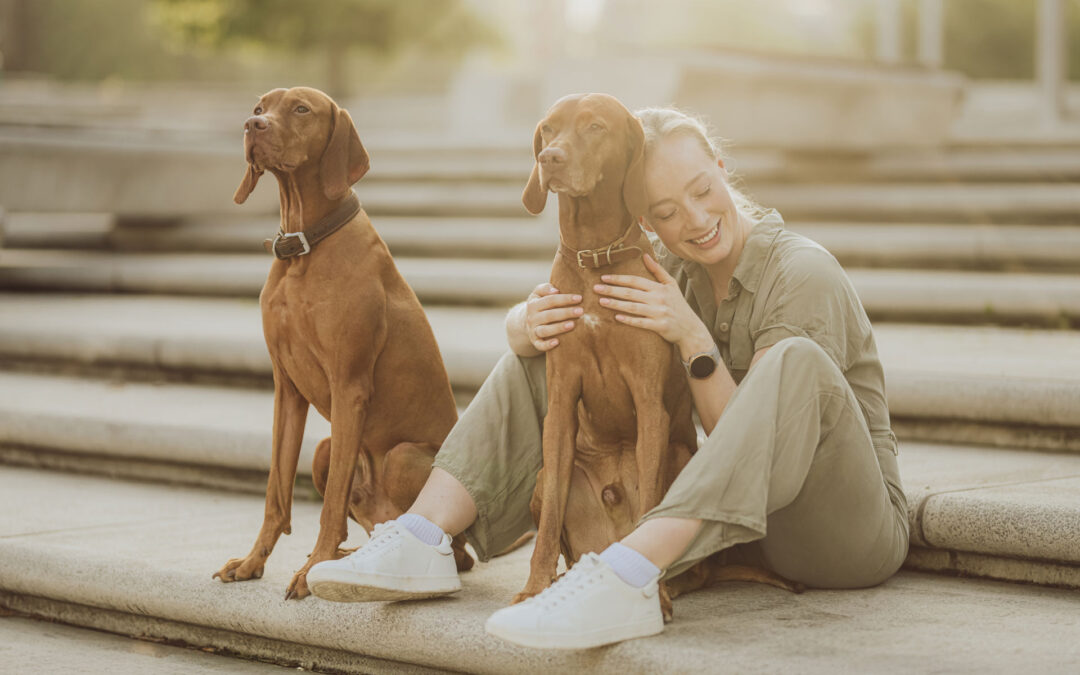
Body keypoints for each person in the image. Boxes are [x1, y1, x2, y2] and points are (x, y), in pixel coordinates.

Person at [306, 107, 909, 650]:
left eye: (703, 190)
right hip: (741, 536)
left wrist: (691, 337)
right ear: (643, 217)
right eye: (666, 213)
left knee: (791, 360)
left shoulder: (802, 273)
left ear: (723, 169)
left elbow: (762, 453)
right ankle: (424, 533)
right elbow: (549, 332)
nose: (695, 220)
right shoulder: (667, 267)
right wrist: (525, 324)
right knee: (563, 337)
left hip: (841, 531)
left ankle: (628, 574)